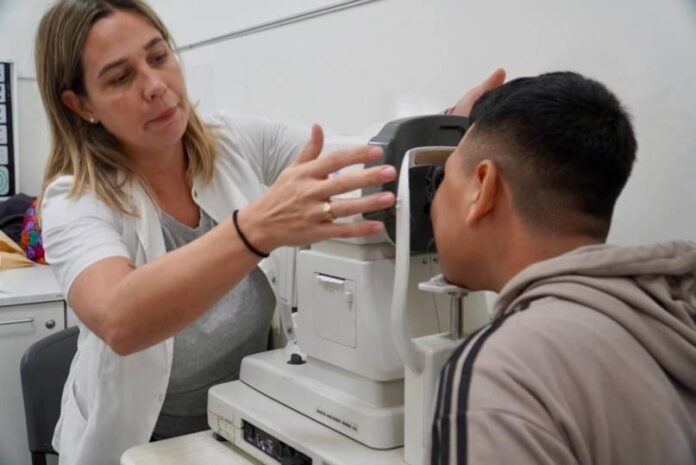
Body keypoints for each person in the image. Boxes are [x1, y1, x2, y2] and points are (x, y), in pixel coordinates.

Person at [34, 1, 503, 463]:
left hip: (239, 427)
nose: (155, 86)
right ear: (80, 104)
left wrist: (444, 133)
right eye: (120, 78)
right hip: (138, 448)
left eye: (159, 57)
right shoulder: (73, 200)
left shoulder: (232, 141)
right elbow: (120, 319)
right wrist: (256, 230)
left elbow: (360, 161)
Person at [429, 71, 696, 464]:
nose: (434, 202)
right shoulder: (670, 319)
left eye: (445, 178)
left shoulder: (502, 372)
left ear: (482, 186)